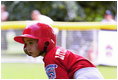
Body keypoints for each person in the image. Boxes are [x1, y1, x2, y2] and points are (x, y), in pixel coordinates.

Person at [14, 23, 103, 79]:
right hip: (90, 72)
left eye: (31, 43)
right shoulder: (54, 52)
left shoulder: (50, 58)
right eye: (26, 44)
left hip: (83, 75)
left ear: (44, 42)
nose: (27, 48)